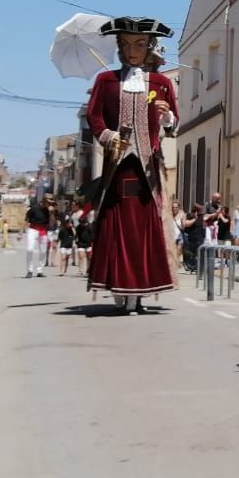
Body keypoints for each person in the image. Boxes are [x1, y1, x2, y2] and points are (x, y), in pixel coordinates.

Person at [85, 17, 180, 312]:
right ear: (119, 47)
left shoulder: (162, 83)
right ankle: (118, 286)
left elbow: (173, 123)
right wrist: (110, 137)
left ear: (149, 46)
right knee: (118, 226)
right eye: (126, 44)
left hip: (149, 169)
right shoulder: (106, 81)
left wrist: (166, 118)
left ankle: (141, 290)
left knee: (145, 229)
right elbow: (94, 116)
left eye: (139, 44)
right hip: (118, 168)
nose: (133, 50)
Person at [24, 198, 50, 278]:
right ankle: (30, 270)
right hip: (33, 229)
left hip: (43, 231)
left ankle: (40, 270)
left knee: (43, 251)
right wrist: (21, 232)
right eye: (48, 203)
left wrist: (52, 213)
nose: (49, 204)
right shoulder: (34, 208)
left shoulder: (47, 210)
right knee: (29, 249)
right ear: (44, 201)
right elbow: (26, 219)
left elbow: (50, 223)